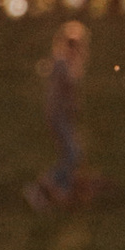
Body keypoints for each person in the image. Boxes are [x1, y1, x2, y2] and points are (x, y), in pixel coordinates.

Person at [27, 16, 91, 211]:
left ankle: (61, 191)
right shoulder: (62, 64)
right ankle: (45, 186)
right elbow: (66, 89)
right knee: (73, 153)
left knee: (73, 153)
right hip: (58, 115)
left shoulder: (64, 64)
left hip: (62, 115)